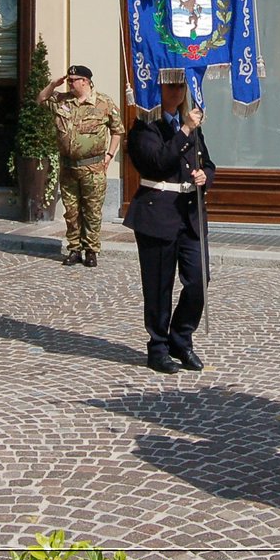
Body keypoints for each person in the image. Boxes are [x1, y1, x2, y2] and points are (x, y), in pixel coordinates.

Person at [123, 80, 214, 375]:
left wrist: (205, 177)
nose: (177, 92)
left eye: (181, 87)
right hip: (158, 214)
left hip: (190, 214)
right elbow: (158, 162)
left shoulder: (191, 127)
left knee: (199, 281)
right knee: (159, 285)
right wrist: (185, 130)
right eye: (170, 86)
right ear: (157, 90)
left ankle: (181, 337)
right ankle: (158, 346)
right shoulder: (144, 127)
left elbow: (208, 163)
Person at [39, 64, 124, 268]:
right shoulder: (62, 100)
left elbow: (117, 130)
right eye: (69, 80)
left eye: (73, 80)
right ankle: (74, 249)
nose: (69, 83)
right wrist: (53, 84)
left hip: (93, 168)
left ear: (85, 81)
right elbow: (41, 99)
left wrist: (110, 155)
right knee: (71, 211)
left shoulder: (103, 103)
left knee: (92, 211)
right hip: (68, 167)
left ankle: (91, 250)